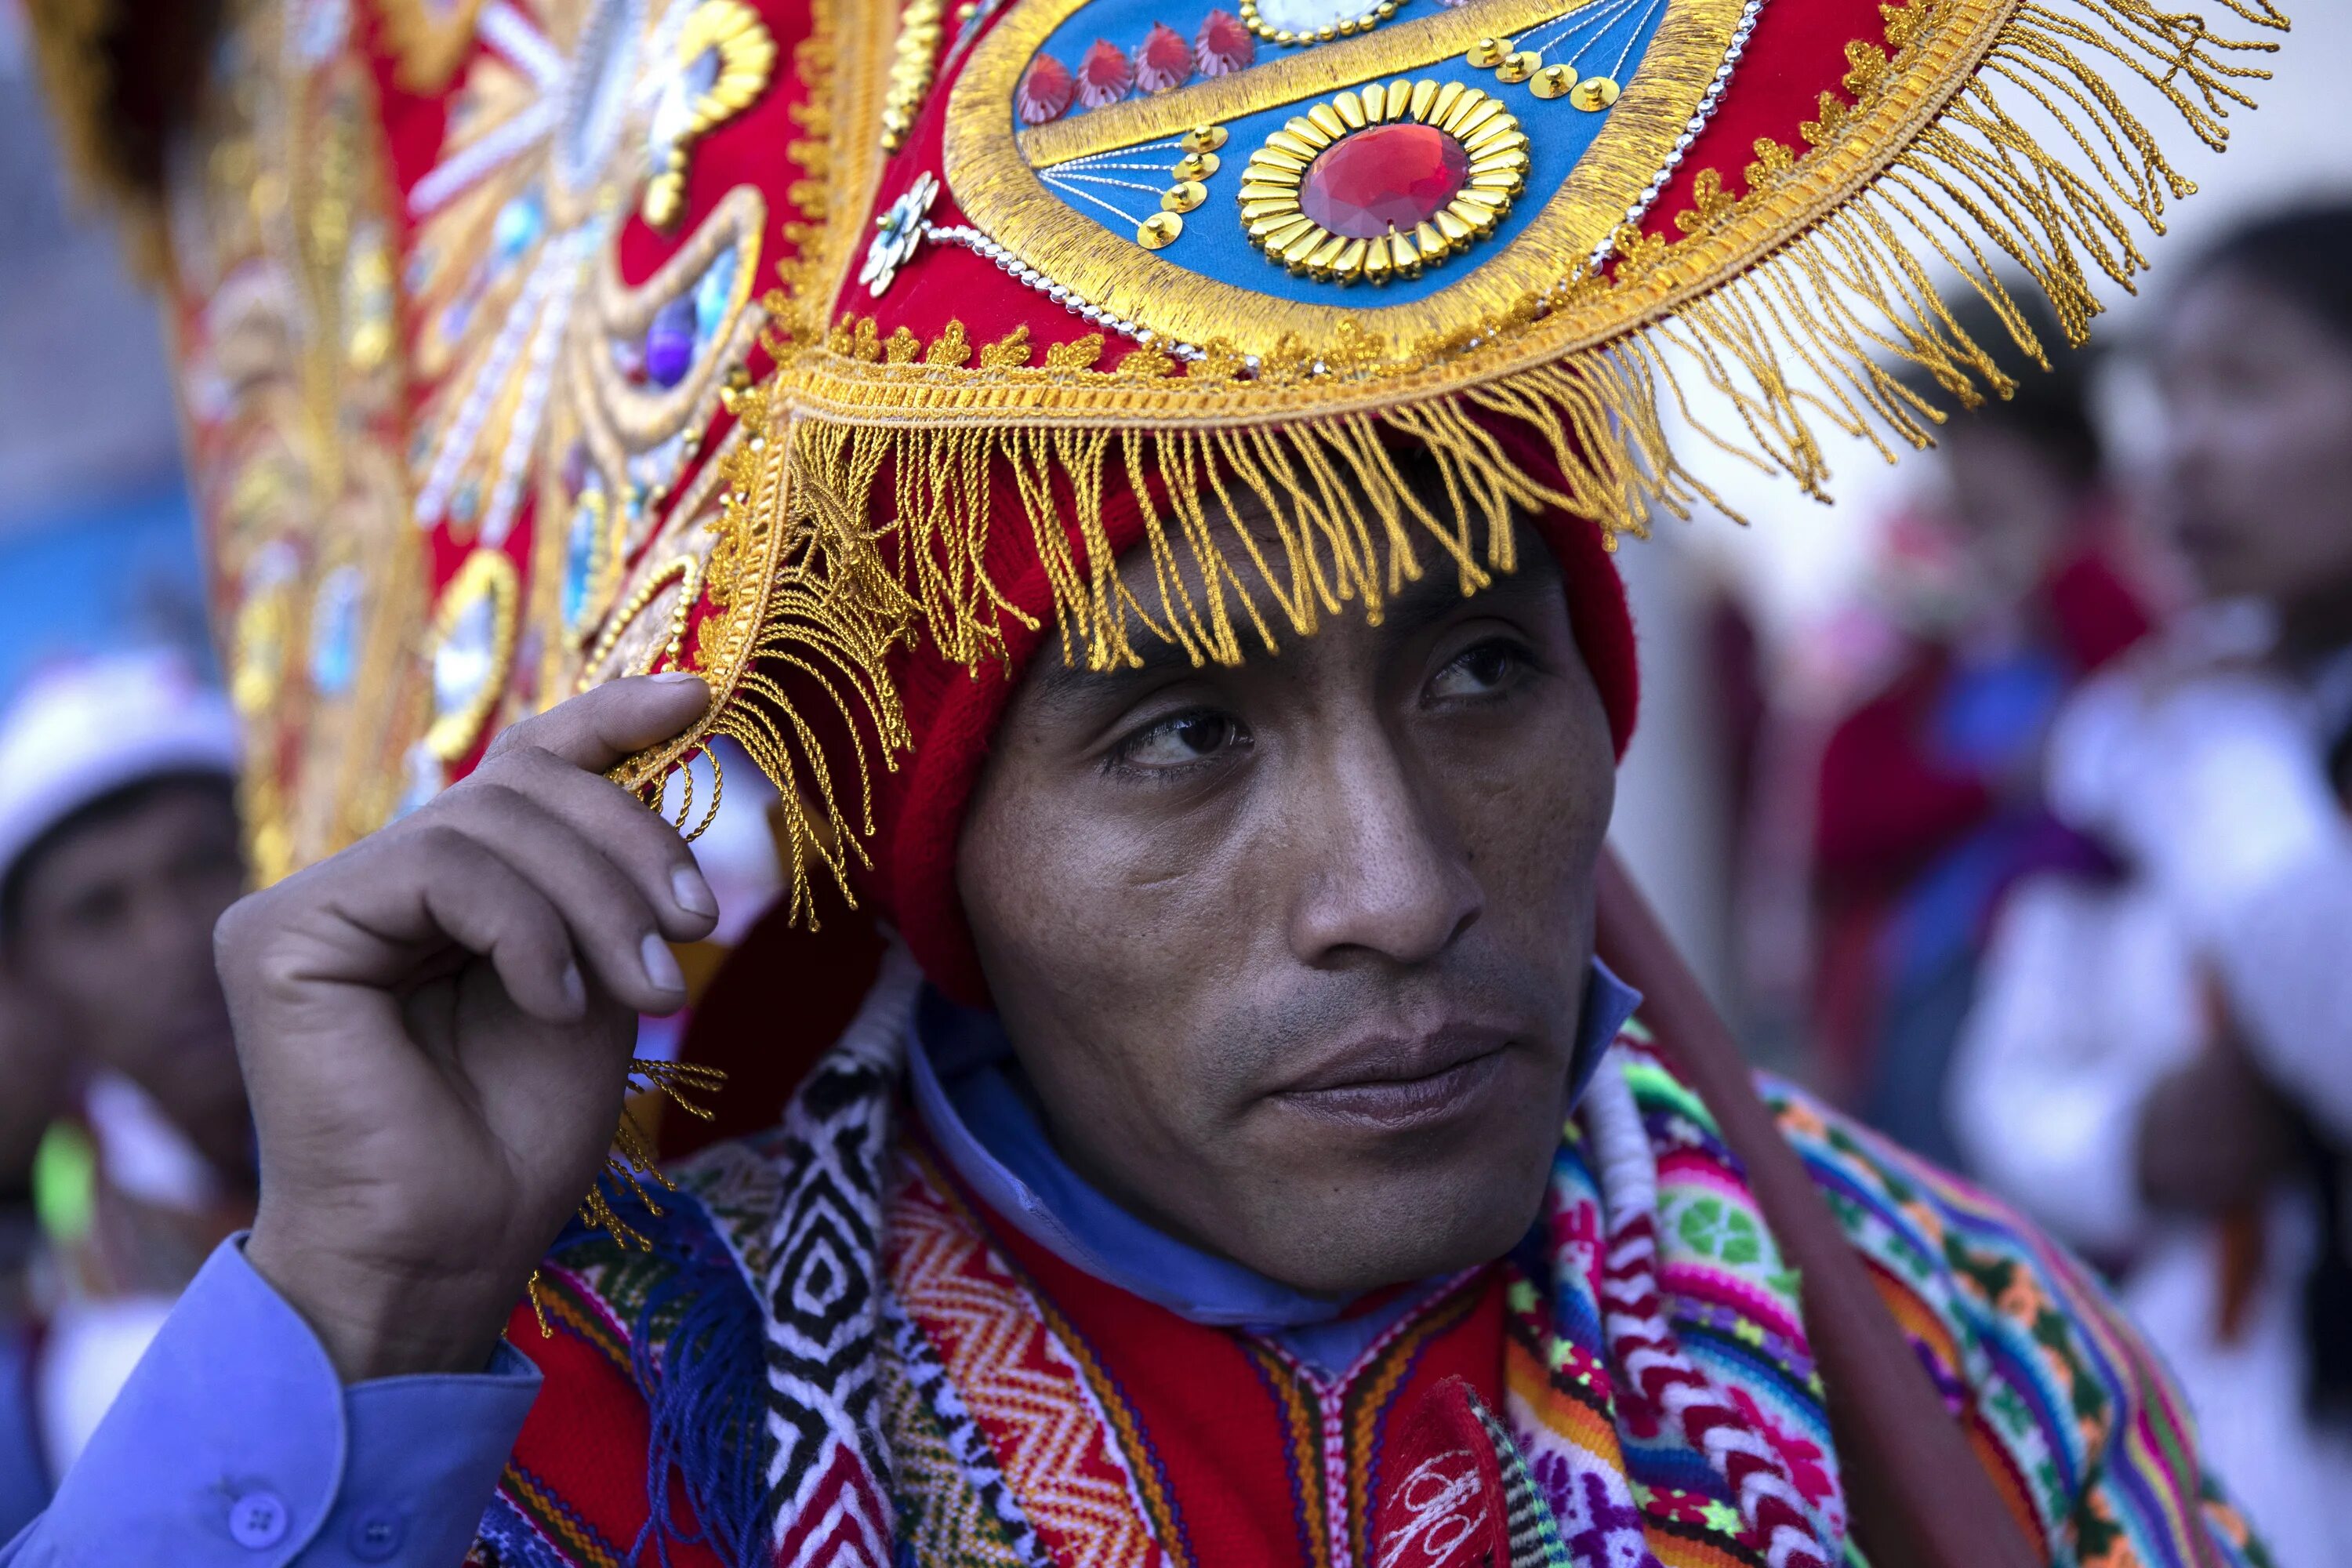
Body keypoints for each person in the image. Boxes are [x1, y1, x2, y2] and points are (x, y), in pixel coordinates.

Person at [13, 0, 2286, 1563]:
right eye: (1183, 732)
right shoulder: (607, 1431)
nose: (1397, 887)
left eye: (1487, 670)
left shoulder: (1952, 1333)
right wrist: (358, 1310)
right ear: (937, 863)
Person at [1951, 205, 2352, 1568]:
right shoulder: (2130, 733)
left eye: (2244, 384)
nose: (2182, 445)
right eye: (2169, 395)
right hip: (2216, 1435)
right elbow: (2006, 1084)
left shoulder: (2198, 744)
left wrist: (2232, 764)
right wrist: (2127, 1141)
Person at [1807, 291, 2152, 1168]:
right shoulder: (1932, 608)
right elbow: (1844, 815)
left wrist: (2051, 559)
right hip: (1924, 979)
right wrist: (1991, 782)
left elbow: (2146, 700)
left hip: (2073, 984)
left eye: (1960, 432)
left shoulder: (2124, 565)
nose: (1944, 466)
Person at [0, 651, 252, 1489]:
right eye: (97, 910)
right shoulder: (102, 1350)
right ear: (26, 976)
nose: (177, 942)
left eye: (206, 863)